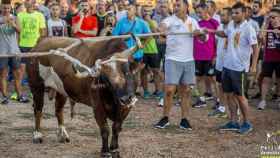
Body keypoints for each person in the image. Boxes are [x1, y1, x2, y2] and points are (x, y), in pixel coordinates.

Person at [154, 0, 202, 130]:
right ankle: (165, 118)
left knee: (185, 91)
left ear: (186, 7)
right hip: (172, 59)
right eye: (174, 5)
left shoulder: (192, 21)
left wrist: (200, 34)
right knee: (169, 90)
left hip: (188, 60)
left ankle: (184, 119)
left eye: (178, 5)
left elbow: (202, 38)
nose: (175, 7)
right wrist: (161, 29)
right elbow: (162, 26)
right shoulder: (170, 20)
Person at [213, 2, 259, 134]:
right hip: (227, 66)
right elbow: (224, 33)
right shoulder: (231, 25)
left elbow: (255, 48)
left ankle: (246, 123)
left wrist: (254, 65)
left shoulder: (248, 28)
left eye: (237, 13)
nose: (234, 15)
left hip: (240, 68)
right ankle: (233, 121)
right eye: (232, 13)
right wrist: (211, 31)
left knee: (240, 96)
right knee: (228, 95)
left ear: (244, 13)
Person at [0, 0, 29, 104]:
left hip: (14, 51)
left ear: (10, 8)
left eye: (8, 8)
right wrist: (3, 21)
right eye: (4, 8)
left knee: (17, 74)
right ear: (1, 8)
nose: (6, 10)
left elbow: (20, 31)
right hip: (2, 52)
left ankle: (19, 95)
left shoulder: (15, 18)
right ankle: (4, 97)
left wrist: (13, 24)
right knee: (3, 74)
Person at [17, 0, 46, 100]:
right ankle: (18, 93)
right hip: (23, 46)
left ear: (34, 4)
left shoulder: (40, 15)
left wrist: (40, 45)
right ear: (25, 4)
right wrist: (17, 45)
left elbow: (42, 32)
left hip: (35, 47)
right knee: (21, 71)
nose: (30, 4)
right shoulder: (20, 15)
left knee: (35, 72)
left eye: (32, 2)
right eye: (28, 2)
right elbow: (18, 32)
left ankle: (33, 92)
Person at [192, 3, 219, 108]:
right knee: (198, 79)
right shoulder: (196, 23)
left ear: (206, 10)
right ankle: (201, 100)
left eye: (200, 12)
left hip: (209, 56)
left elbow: (219, 39)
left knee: (213, 79)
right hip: (198, 56)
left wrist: (215, 55)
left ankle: (218, 101)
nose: (198, 14)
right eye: (197, 12)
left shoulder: (214, 22)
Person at [208, 7, 231, 117]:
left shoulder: (232, 27)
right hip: (220, 61)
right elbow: (217, 43)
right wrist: (215, 56)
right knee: (220, 85)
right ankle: (221, 107)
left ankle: (235, 112)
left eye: (224, 15)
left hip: (230, 63)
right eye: (221, 15)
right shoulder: (220, 26)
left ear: (230, 16)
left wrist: (210, 30)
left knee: (230, 89)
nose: (221, 17)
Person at [257, 7, 280, 110]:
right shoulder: (268, 26)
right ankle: (262, 101)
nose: (271, 19)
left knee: (279, 80)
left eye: (273, 17)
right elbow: (260, 37)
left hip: (279, 58)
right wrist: (265, 23)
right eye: (270, 17)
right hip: (269, 58)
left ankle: (278, 98)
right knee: (266, 79)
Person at [141, 6, 163, 99]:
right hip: (142, 50)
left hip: (153, 50)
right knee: (143, 72)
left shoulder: (153, 22)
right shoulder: (139, 22)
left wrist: (149, 21)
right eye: (144, 11)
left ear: (151, 13)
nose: (146, 13)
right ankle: (146, 91)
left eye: (148, 11)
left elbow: (156, 34)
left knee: (156, 71)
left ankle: (158, 91)